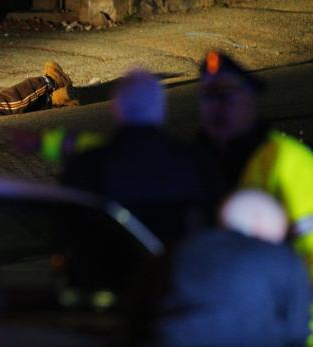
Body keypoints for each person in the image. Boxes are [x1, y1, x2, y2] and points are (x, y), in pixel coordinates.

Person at [196, 51, 313, 272]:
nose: (216, 105)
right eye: (207, 94)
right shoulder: (187, 162)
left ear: (251, 99)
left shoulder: (291, 161)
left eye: (226, 93)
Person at [60, 69, 205, 245]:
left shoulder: (87, 168)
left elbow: (70, 229)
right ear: (161, 107)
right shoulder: (194, 162)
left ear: (116, 108)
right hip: (174, 265)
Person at [154, 189, 311, 346]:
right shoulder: (282, 258)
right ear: (259, 221)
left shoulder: (175, 253)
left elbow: (140, 314)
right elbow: (297, 332)